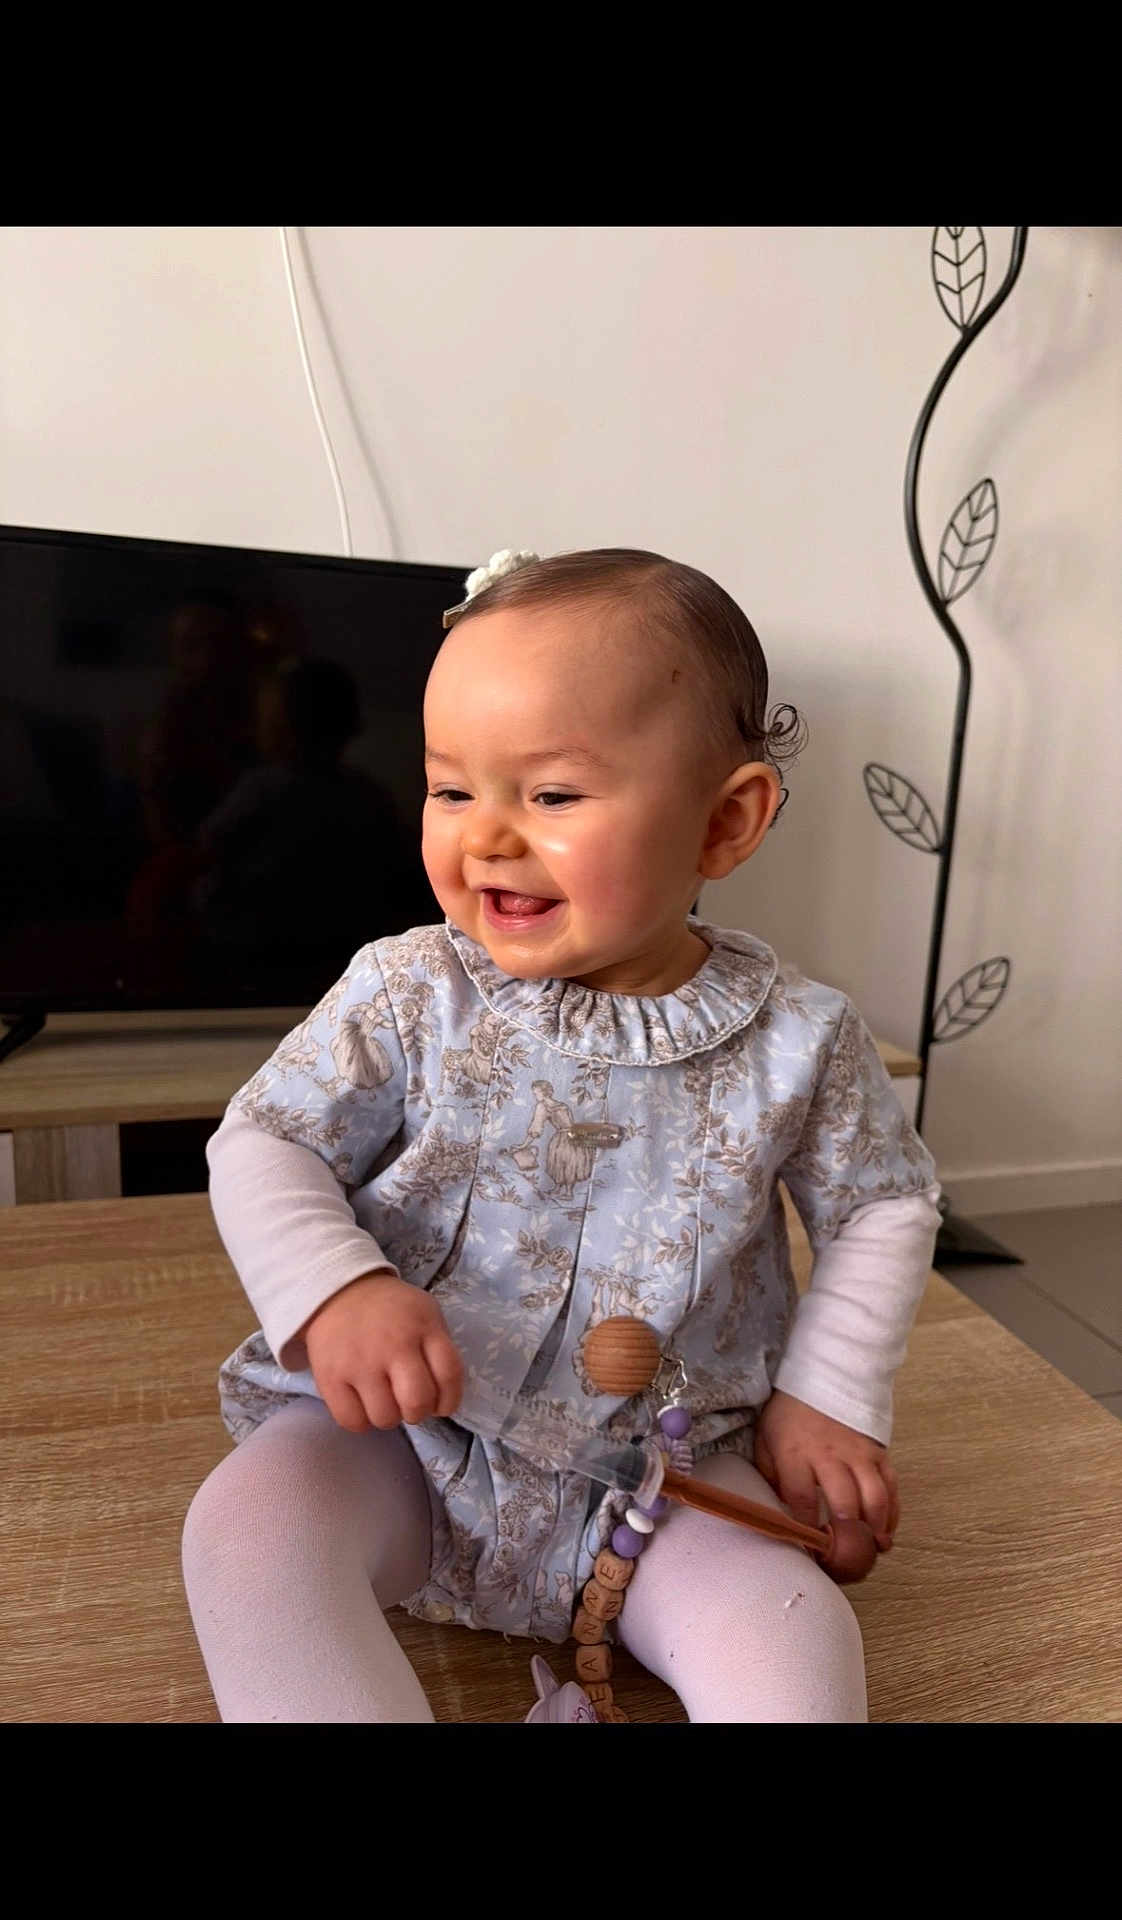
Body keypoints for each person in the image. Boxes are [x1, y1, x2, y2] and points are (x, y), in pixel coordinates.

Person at [182, 547, 941, 1724]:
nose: (487, 837)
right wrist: (334, 1292)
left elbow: (884, 1203)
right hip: (400, 1446)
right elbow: (263, 1141)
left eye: (550, 795)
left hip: (662, 1479)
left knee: (797, 1641)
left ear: (726, 821)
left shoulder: (804, 1038)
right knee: (245, 1533)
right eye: (449, 789)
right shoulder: (408, 992)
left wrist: (829, 1395)